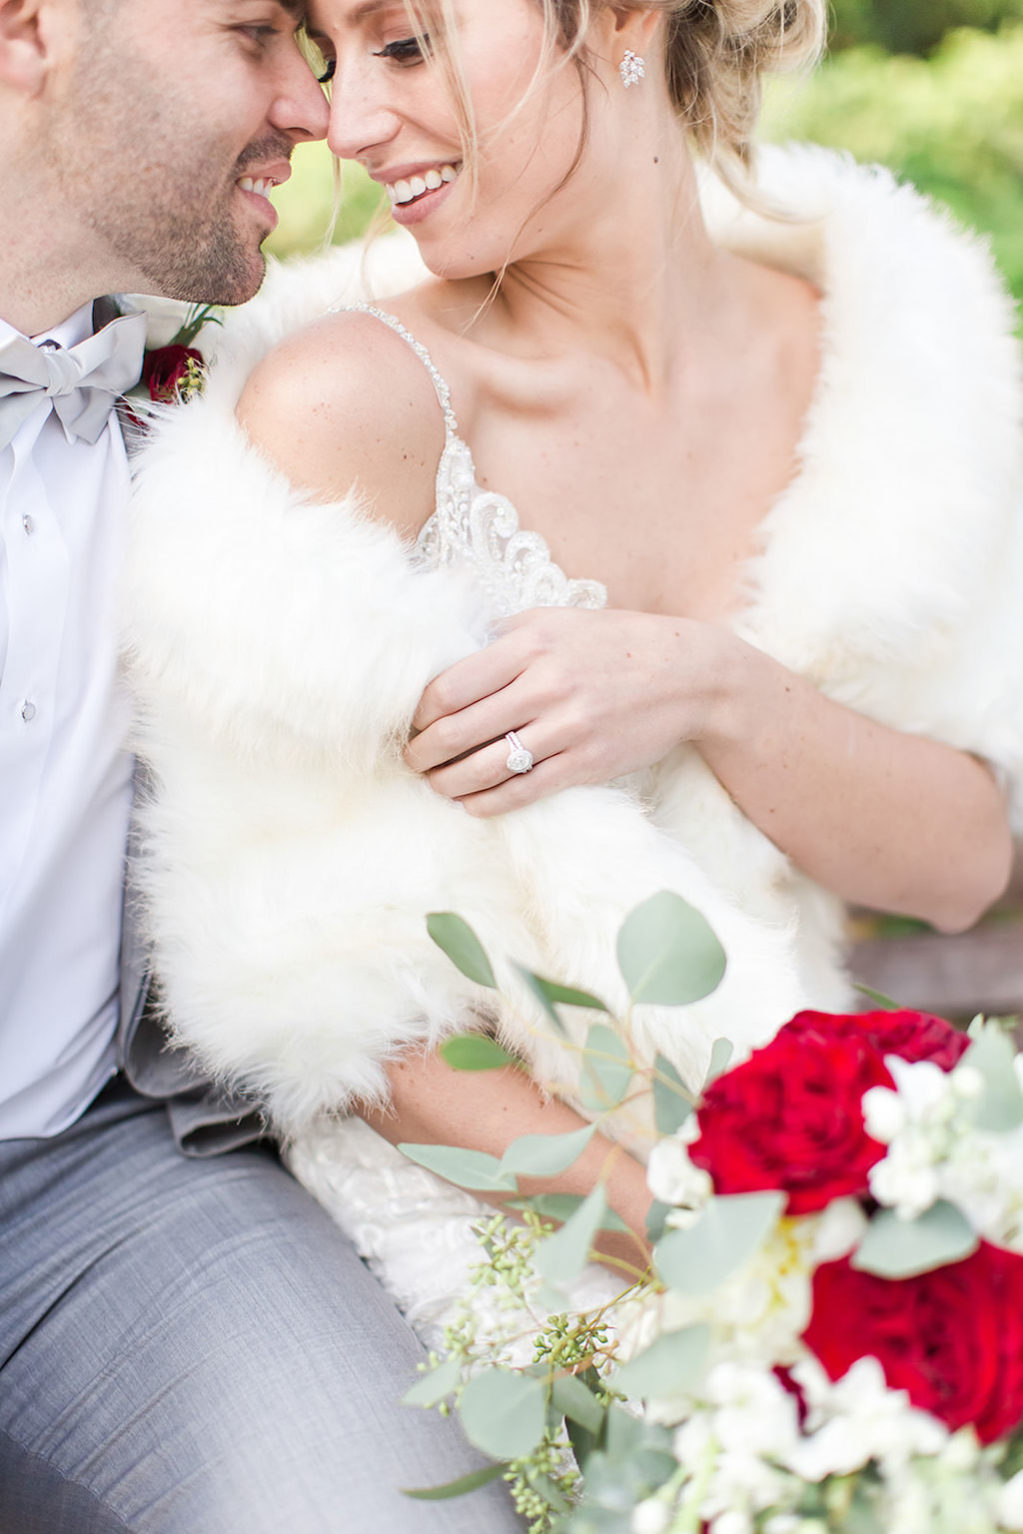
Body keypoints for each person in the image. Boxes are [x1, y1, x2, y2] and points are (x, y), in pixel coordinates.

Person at [123, 1, 1023, 1343]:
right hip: (483, 1254)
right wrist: (756, 1260)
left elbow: (959, 861)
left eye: (407, 44)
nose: (349, 124)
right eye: (329, 56)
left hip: (811, 1158)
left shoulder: (890, 357)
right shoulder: (346, 408)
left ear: (621, 16)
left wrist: (712, 684)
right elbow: (335, 1011)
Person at [0, 2, 529, 1530]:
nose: (316, 106)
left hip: (102, 1180)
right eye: (252, 34)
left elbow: (625, 245)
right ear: (32, 30)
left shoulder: (249, 391)